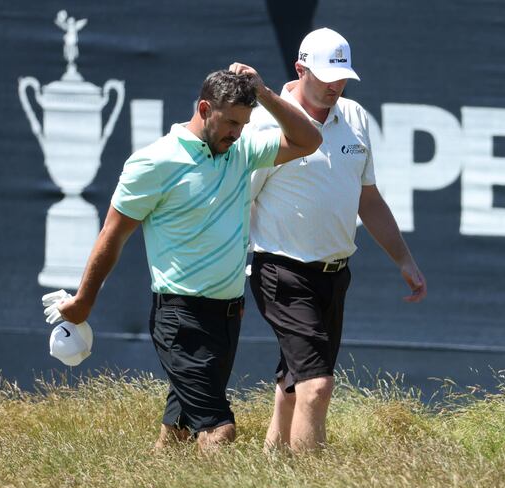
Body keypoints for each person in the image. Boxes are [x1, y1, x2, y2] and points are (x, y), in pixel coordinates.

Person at [51, 67, 322, 452]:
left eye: (243, 123)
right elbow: (113, 235)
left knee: (178, 432)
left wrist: (263, 93)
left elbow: (309, 139)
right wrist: (84, 300)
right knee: (219, 429)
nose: (237, 132)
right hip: (180, 317)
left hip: (228, 315)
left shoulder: (242, 152)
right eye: (230, 121)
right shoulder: (153, 162)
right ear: (204, 108)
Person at [246, 28, 427, 453]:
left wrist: (404, 259)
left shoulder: (356, 116)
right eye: (326, 75)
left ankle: (270, 472)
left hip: (334, 273)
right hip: (281, 269)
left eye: (342, 76)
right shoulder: (265, 121)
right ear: (300, 69)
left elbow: (367, 197)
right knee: (317, 385)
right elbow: (240, 197)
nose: (335, 85)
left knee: (293, 382)